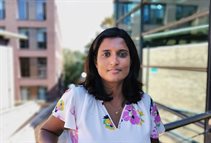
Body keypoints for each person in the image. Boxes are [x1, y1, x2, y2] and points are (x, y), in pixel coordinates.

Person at [38, 27, 165, 143]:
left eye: (122, 54)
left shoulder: (146, 103)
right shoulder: (76, 97)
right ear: (95, 61)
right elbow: (47, 131)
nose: (114, 61)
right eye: (106, 54)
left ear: (131, 60)